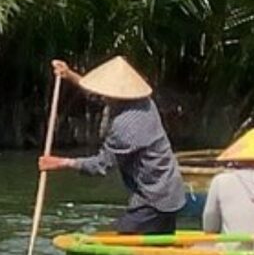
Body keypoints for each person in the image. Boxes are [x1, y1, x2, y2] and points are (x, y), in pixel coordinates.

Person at [37, 56, 189, 234]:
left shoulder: (126, 124)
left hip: (156, 197)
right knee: (152, 242)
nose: (102, 95)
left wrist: (62, 163)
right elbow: (96, 94)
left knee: (116, 237)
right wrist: (69, 74)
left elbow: (102, 164)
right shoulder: (143, 101)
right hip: (169, 191)